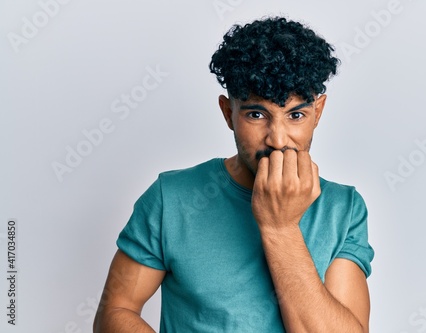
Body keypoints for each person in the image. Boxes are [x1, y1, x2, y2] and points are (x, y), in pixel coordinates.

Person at [93, 16, 374, 333]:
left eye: (296, 115)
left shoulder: (343, 208)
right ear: (229, 113)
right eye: (257, 114)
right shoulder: (170, 197)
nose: (277, 139)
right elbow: (115, 310)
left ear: (317, 112)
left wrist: (280, 228)